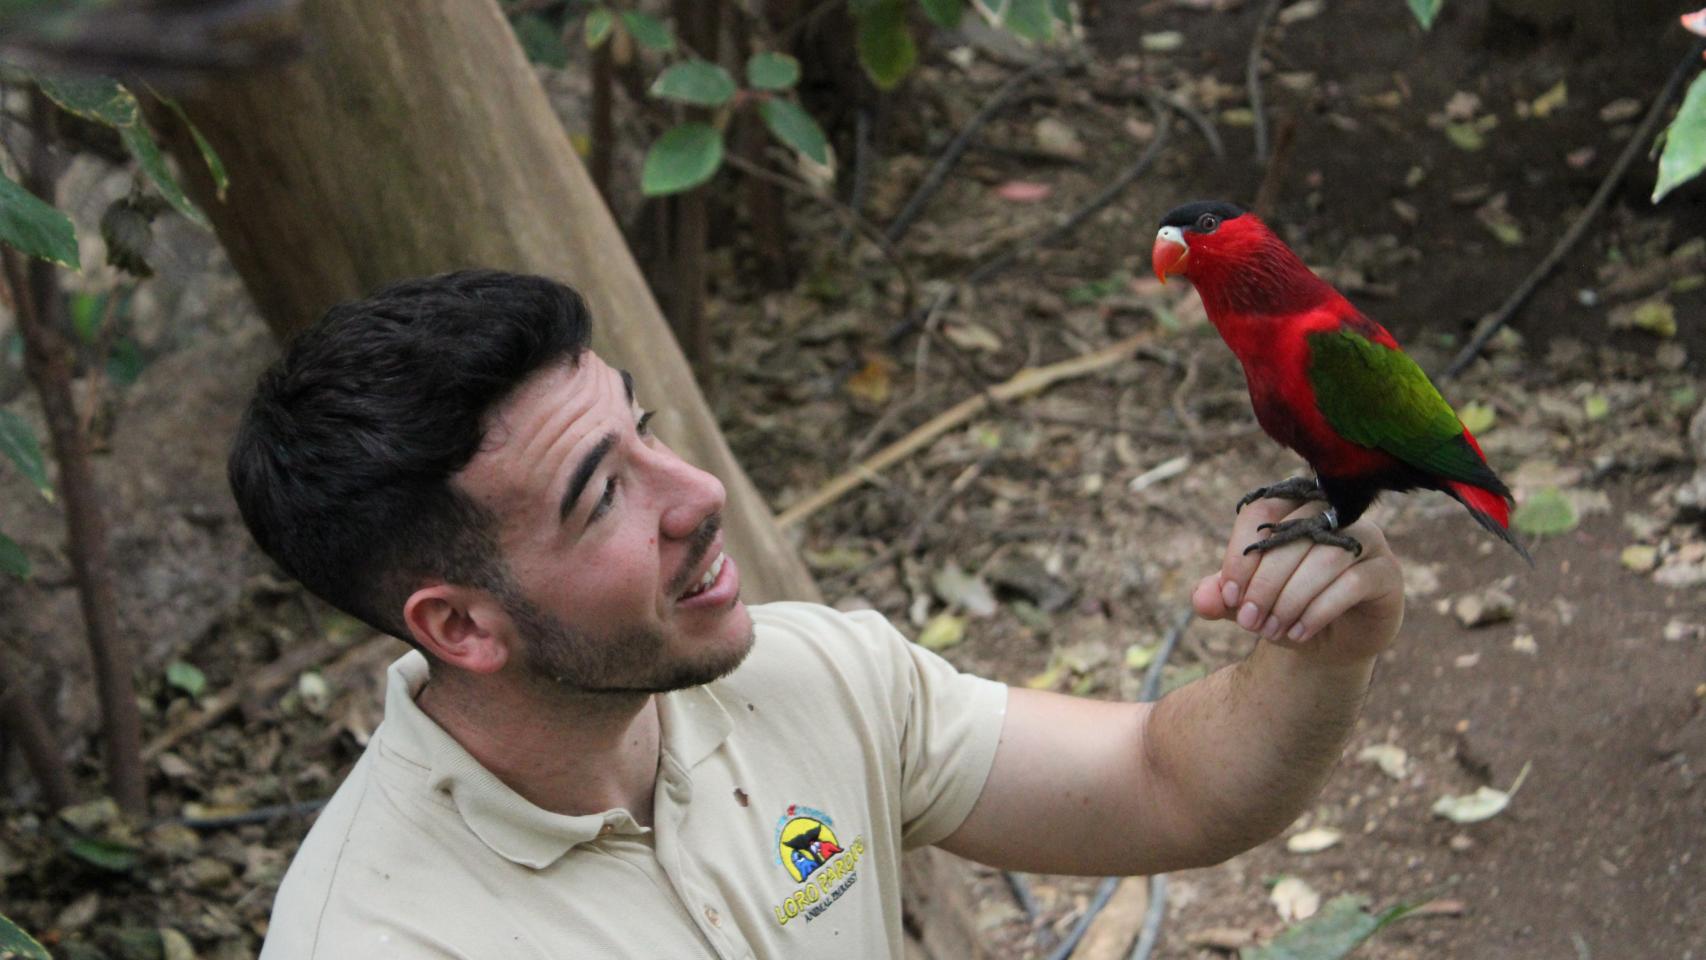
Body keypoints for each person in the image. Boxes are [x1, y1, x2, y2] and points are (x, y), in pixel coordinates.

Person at [234, 270, 1404, 959]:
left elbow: (1164, 784)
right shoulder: (383, 939)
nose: (696, 494)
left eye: (644, 428)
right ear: (461, 629)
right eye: (602, 497)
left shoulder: (801, 674)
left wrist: (1316, 647)